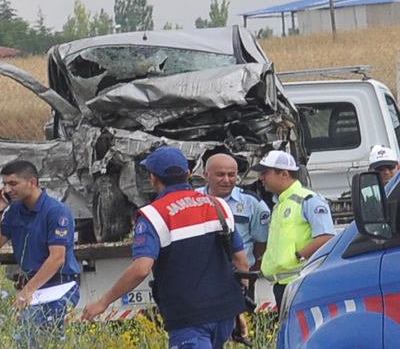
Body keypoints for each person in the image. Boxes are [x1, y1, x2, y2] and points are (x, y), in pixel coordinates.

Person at [81, 146, 249, 349]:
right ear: (188, 174)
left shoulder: (154, 215)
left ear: (153, 178)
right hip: (224, 313)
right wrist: (238, 309)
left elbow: (141, 268)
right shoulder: (219, 206)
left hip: (188, 317)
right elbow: (241, 262)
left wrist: (103, 302)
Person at [0, 160, 81, 348]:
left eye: (13, 183)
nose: (7, 189)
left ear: (32, 182)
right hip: (34, 287)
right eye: (4, 184)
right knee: (26, 338)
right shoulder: (15, 210)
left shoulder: (55, 211)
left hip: (59, 284)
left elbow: (57, 258)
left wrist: (28, 291)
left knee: (39, 337)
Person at [254, 150, 335, 310]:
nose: (261, 178)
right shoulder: (281, 203)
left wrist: (298, 257)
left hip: (301, 283)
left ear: (284, 174)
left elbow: (326, 237)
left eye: (265, 173)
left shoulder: (308, 200)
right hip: (283, 285)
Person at [196, 153, 271, 270]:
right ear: (206, 175)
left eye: (231, 175)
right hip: (203, 273)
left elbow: (261, 242)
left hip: (240, 273)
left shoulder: (252, 202)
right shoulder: (192, 200)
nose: (226, 180)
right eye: (220, 175)